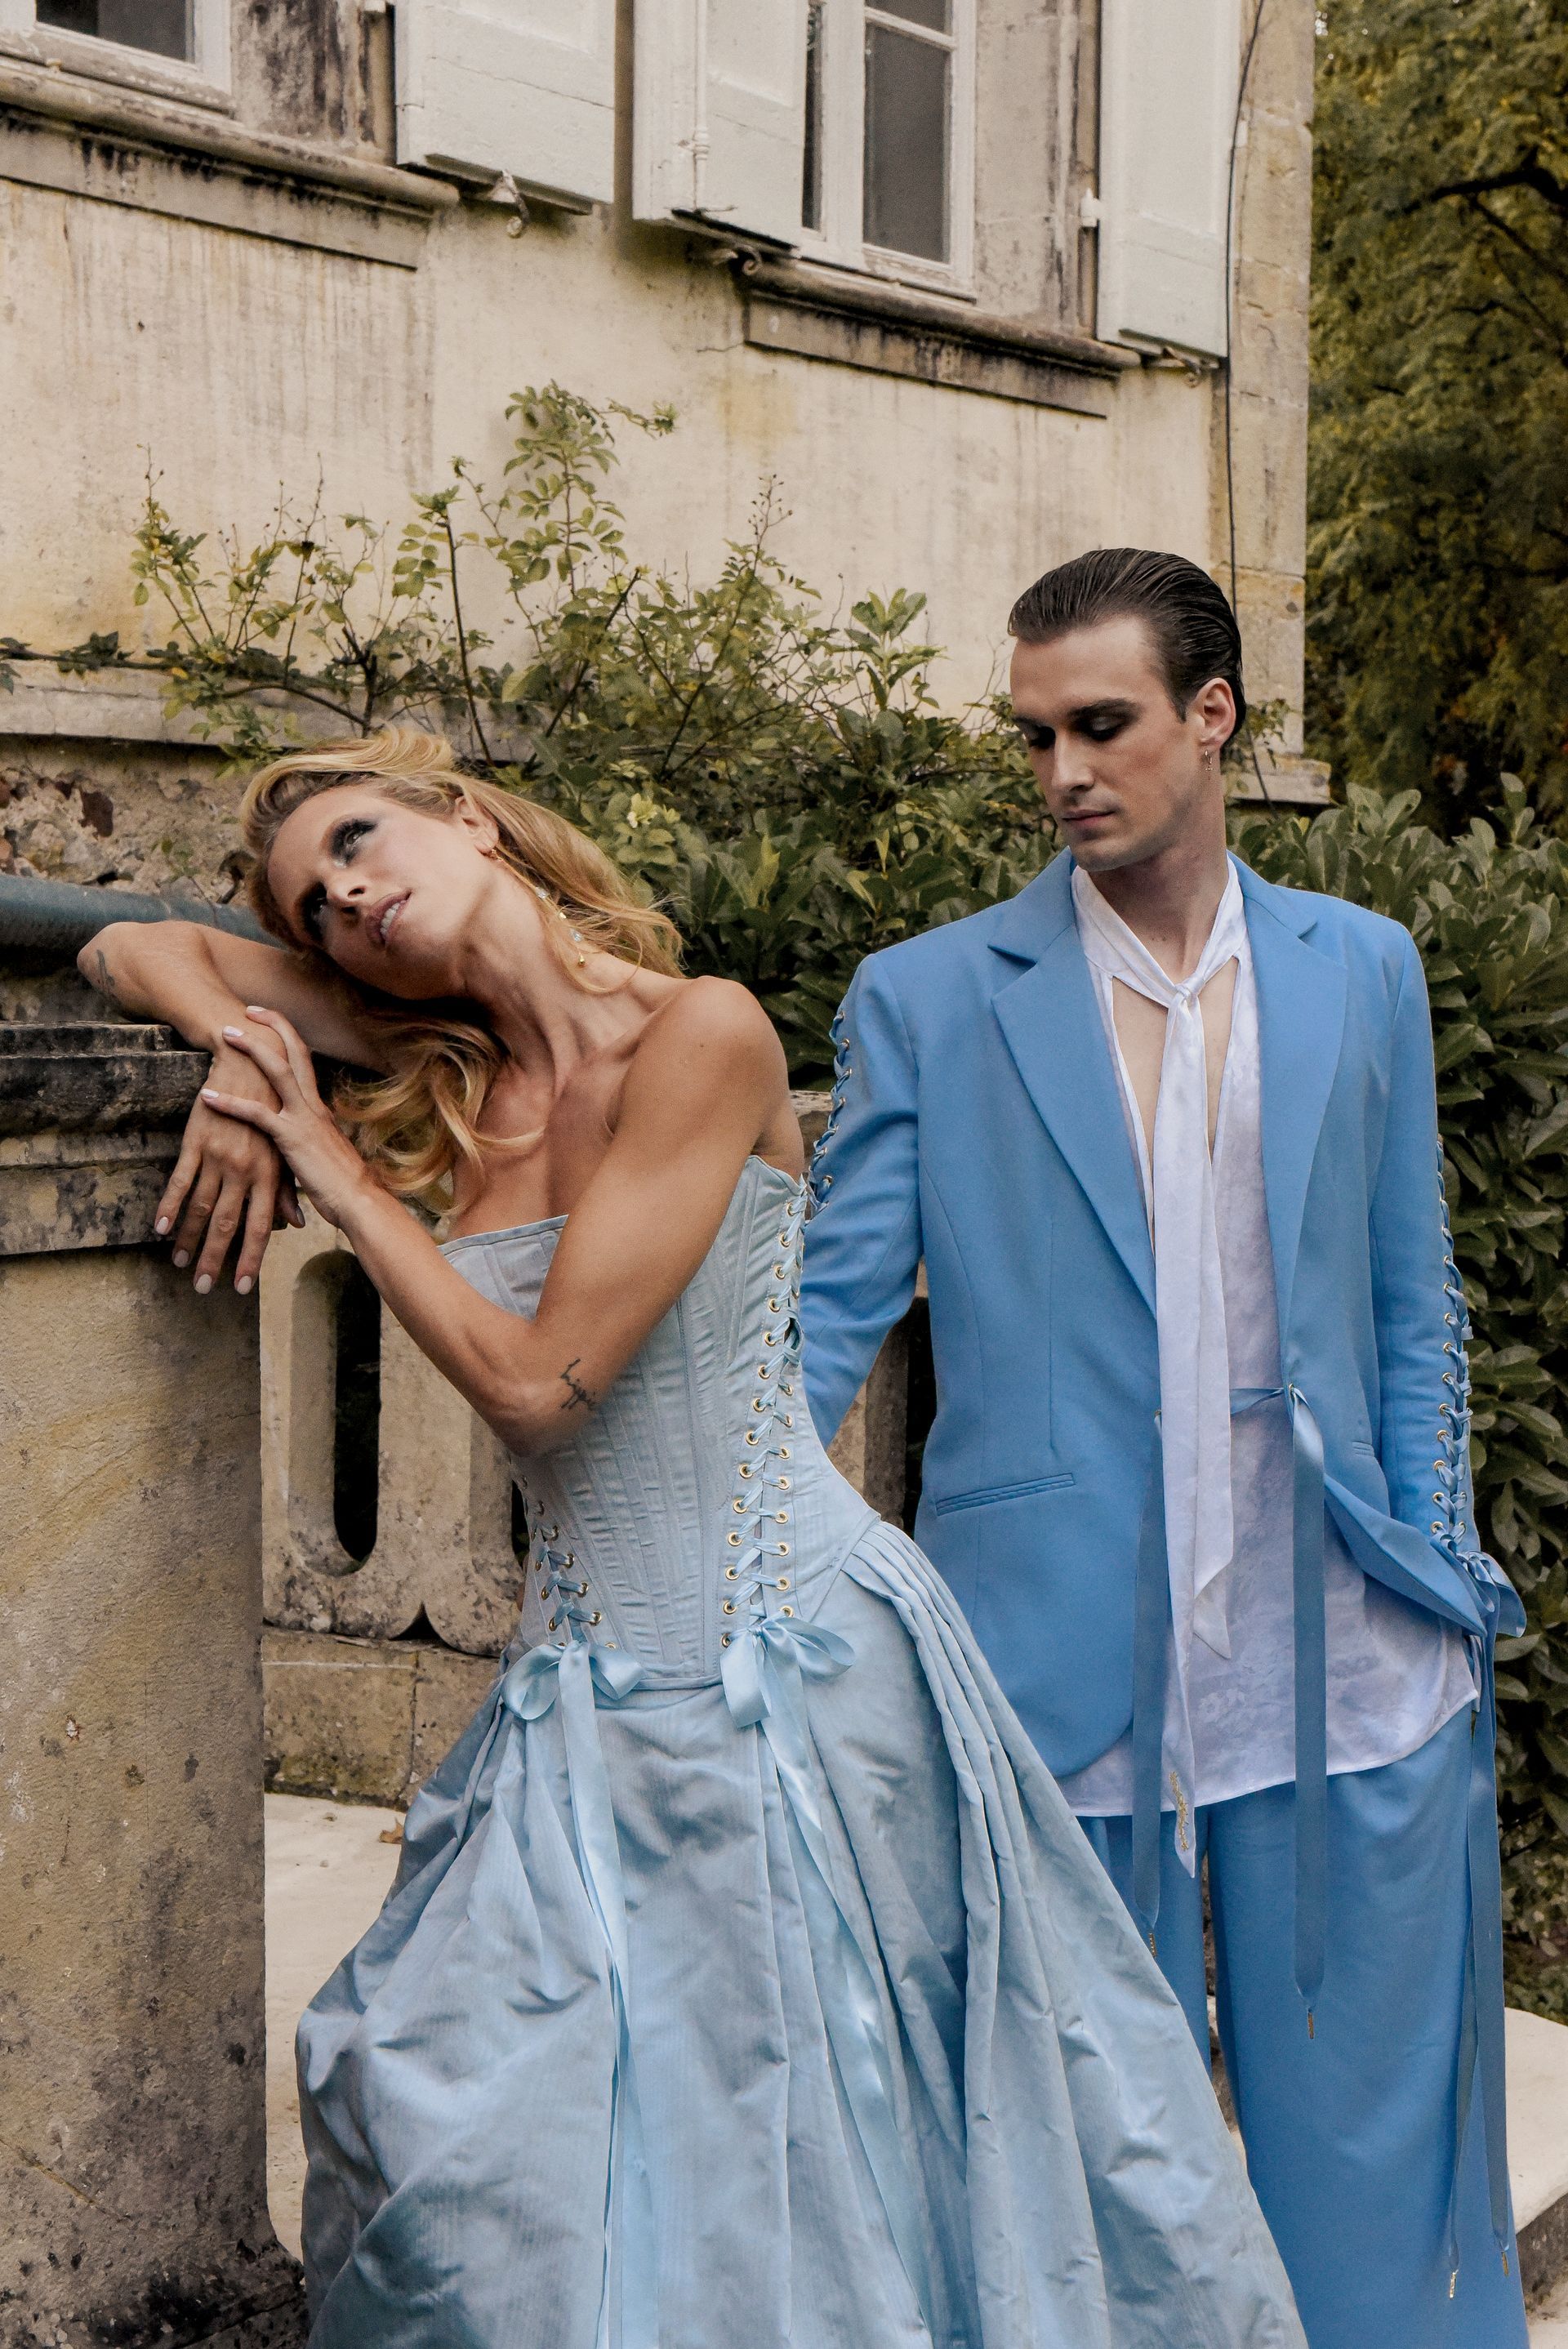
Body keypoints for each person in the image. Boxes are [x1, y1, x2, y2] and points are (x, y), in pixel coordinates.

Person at [79, 726, 1303, 2349]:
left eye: (361, 842)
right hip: (576, 1714)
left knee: (837, 2171)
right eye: (313, 910)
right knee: (453, 2140)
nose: (348, 899)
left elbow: (542, 1385)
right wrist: (242, 1055)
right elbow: (125, 940)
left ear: (467, 815)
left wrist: (324, 1158)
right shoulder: (423, 1051)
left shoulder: (700, 1035)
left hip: (804, 1680)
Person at [798, 548, 1530, 2349]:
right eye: (1035, 733)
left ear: (1212, 718)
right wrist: (768, 1585)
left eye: (1103, 723)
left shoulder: (1361, 967)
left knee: (1370, 2152)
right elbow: (822, 1322)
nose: (1063, 770)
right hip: (1051, 1669)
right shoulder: (931, 998)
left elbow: (1413, 1291)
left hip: (1348, 1654)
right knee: (1073, 2169)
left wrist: (1436, 1567)